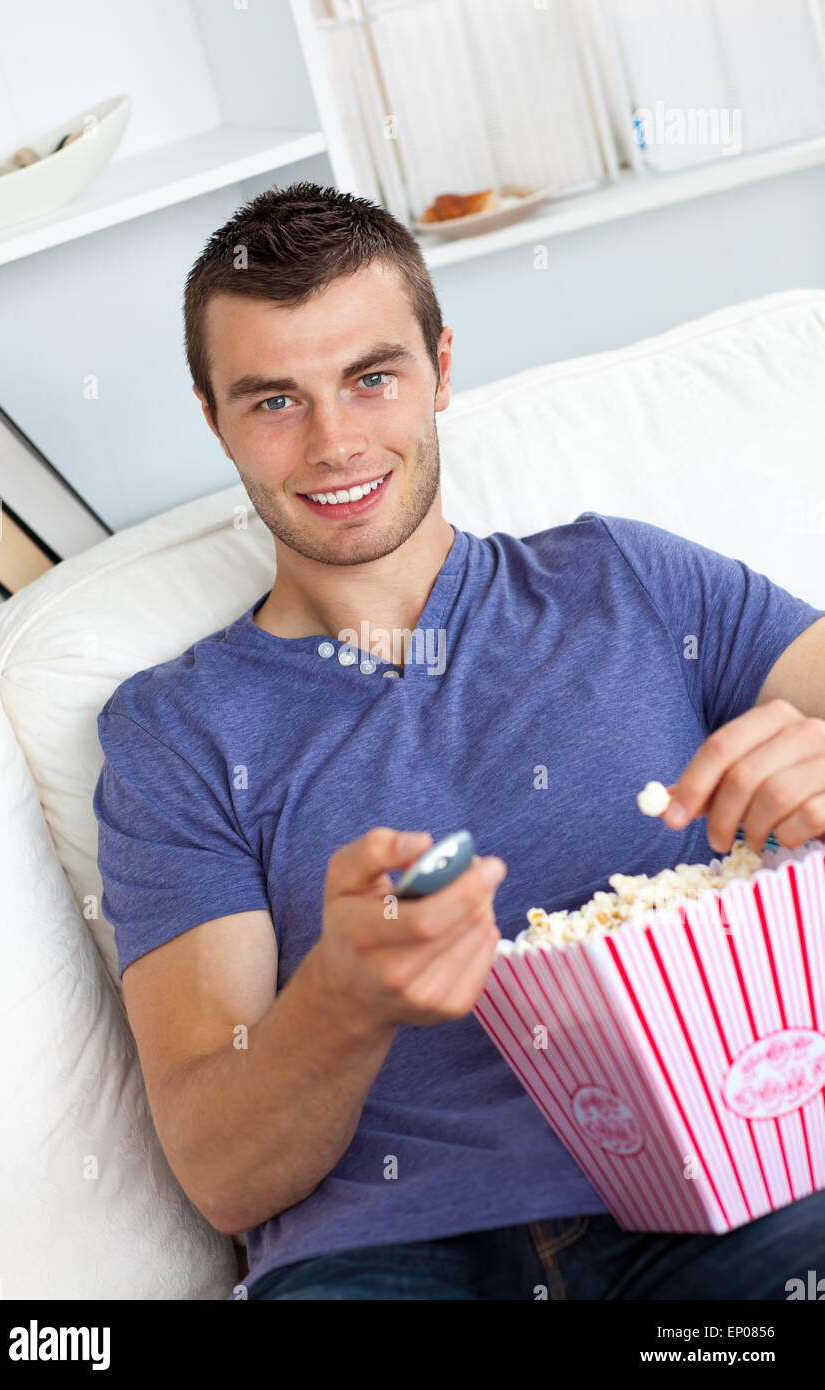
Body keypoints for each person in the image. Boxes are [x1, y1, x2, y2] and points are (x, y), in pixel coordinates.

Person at [93, 181, 825, 1301]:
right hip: (391, 1256)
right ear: (214, 418)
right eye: (274, 400)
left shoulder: (622, 579)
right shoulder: (174, 730)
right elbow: (223, 1173)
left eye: (370, 377)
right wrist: (343, 994)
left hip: (725, 1194)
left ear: (440, 366)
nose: (333, 444)